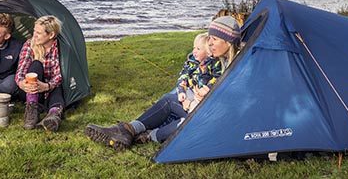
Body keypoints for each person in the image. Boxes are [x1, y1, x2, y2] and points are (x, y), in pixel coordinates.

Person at [84, 16, 240, 149]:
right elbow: (207, 81)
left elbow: (230, 98)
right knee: (168, 99)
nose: (210, 43)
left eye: (215, 39)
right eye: (210, 38)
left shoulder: (239, 63)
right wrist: (195, 94)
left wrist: (202, 99)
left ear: (228, 42)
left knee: (185, 120)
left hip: (213, 117)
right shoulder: (221, 59)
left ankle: (147, 136)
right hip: (203, 106)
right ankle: (128, 129)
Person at [16, 15, 66, 132]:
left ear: (51, 35)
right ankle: (32, 110)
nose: (34, 35)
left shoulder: (59, 48)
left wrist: (46, 86)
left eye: (38, 33)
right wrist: (22, 83)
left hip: (49, 88)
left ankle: (54, 115)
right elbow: (21, 71)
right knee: (36, 64)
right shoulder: (29, 44)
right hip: (29, 91)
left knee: (57, 88)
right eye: (34, 31)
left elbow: (59, 75)